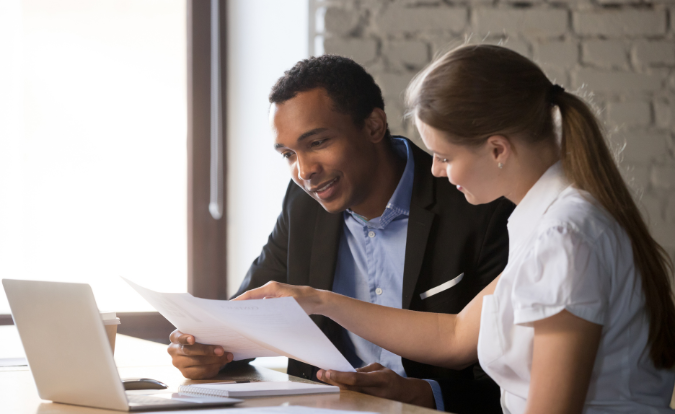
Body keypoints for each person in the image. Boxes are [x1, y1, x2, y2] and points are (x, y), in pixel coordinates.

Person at [236, 45, 675, 414]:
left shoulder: (564, 237)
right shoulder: (546, 221)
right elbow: (456, 335)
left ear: (497, 149)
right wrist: (317, 300)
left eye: (444, 156)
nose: (437, 172)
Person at [167, 55, 515, 413]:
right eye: (288, 153)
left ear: (374, 126)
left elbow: (516, 374)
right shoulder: (303, 205)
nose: (304, 172)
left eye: (317, 143)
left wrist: (424, 394)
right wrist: (206, 350)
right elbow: (246, 317)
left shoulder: (479, 207)